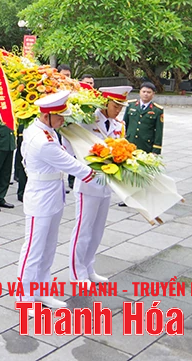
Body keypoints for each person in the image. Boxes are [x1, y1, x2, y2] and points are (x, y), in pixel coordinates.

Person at [17, 91, 98, 315]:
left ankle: (41, 290)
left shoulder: (48, 131)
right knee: (33, 248)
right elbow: (73, 166)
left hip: (53, 194)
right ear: (47, 116)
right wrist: (102, 174)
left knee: (49, 246)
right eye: (60, 116)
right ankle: (24, 297)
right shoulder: (42, 140)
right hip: (40, 197)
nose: (64, 120)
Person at [70, 86, 132, 286]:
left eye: (122, 106)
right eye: (116, 105)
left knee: (97, 231)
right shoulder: (87, 119)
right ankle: (77, 272)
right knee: (83, 230)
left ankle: (89, 267)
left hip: (106, 184)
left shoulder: (118, 124)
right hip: (88, 183)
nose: (119, 110)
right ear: (105, 103)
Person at [123, 81, 164, 155]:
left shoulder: (157, 110)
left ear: (153, 94)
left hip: (145, 145)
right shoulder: (131, 105)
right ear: (140, 92)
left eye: (149, 92)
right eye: (144, 91)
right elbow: (124, 124)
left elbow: (159, 131)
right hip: (129, 142)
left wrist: (156, 150)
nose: (146, 94)